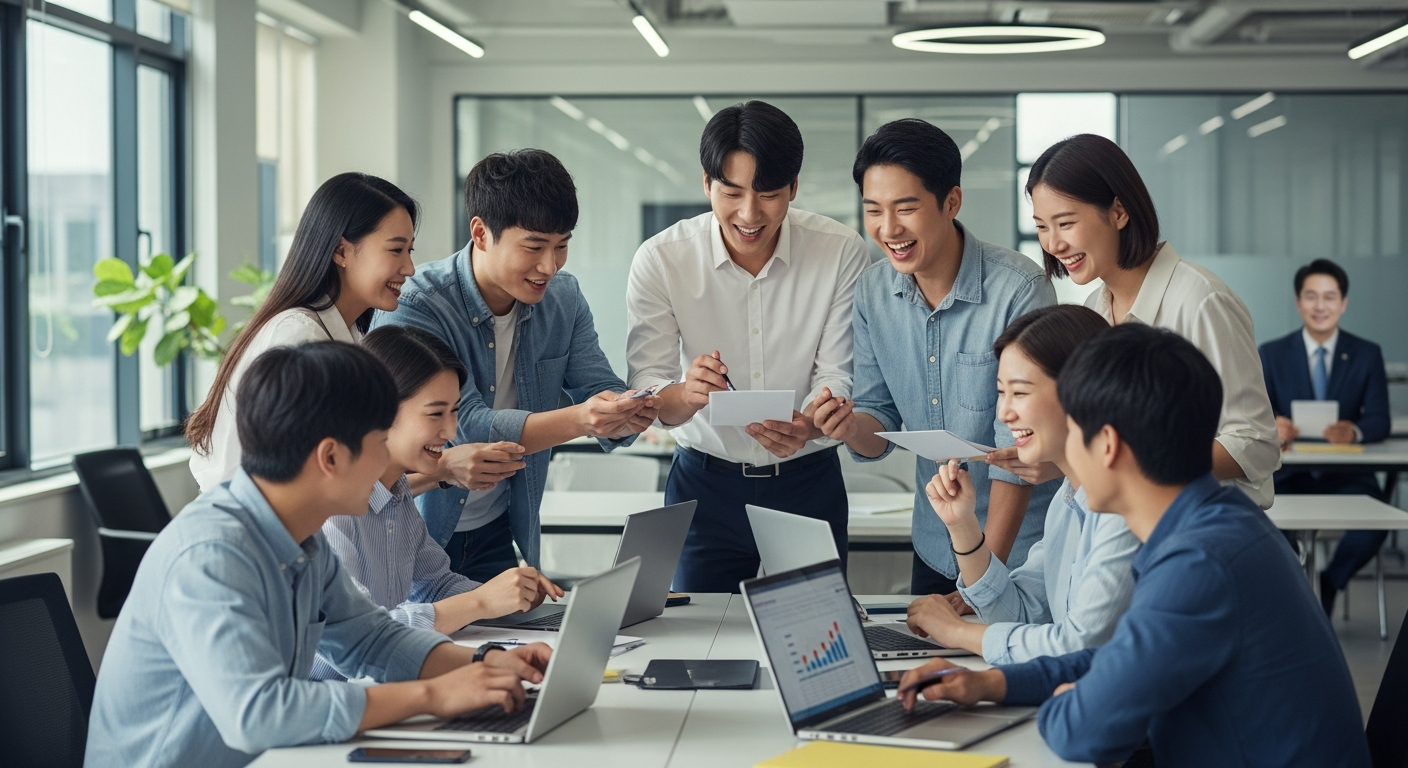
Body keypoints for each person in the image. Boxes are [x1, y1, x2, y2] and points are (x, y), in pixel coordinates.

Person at [898, 325, 1369, 768]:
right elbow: (1121, 656)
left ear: (1107, 445)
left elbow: (1087, 731)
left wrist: (1071, 701)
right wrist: (993, 683)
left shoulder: (1199, 561)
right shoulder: (1213, 522)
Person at [87, 342, 553, 768]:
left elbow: (372, 641)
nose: (387, 469)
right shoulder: (211, 556)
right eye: (377, 446)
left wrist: (485, 665)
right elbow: (258, 715)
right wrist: (432, 695)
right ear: (330, 457)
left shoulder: (301, 538)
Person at [374, 149, 656, 581]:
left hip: (499, 532)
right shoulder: (419, 303)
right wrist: (585, 419)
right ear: (482, 233)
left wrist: (630, 411)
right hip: (412, 531)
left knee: (511, 648)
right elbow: (466, 423)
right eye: (534, 246)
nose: (550, 265)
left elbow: (599, 386)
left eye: (562, 246)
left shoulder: (562, 298)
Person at [625, 100, 869, 593]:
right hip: (703, 486)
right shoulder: (661, 260)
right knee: (699, 649)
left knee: (818, 644)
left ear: (794, 189)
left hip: (807, 479)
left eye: (770, 194)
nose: (749, 214)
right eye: (731, 192)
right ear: (706, 184)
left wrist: (810, 422)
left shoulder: (840, 251)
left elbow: (838, 372)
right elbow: (647, 392)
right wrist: (687, 392)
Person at [812, 118, 1059, 596]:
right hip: (935, 543)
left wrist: (985, 579)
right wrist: (846, 426)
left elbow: (1019, 453)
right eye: (873, 210)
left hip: (1018, 553)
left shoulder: (1019, 291)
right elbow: (877, 421)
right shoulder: (872, 291)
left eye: (906, 208)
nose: (889, 229)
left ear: (951, 202)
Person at [1027, 133, 1280, 508]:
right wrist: (1060, 460)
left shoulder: (1200, 299)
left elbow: (1257, 444)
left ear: (1118, 211)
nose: (1053, 244)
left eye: (1065, 223)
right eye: (1042, 226)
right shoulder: (1096, 307)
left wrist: (1140, 467)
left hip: (1201, 531)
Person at [309, 326, 568, 681]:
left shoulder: (397, 493)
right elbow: (363, 638)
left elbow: (434, 584)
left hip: (387, 688)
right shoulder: (329, 510)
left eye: (455, 411)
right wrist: (479, 603)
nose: (450, 431)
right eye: (435, 414)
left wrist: (507, 592)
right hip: (331, 703)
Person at [906, 304, 1139, 664]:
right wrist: (962, 525)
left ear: (1083, 391)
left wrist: (956, 632)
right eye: (1001, 392)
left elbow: (1081, 646)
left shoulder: (1125, 508)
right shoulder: (1067, 501)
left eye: (1020, 392)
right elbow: (1020, 615)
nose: (1004, 413)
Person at [187, 172, 419, 492]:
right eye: (396, 250)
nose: (409, 268)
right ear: (341, 252)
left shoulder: (346, 335)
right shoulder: (298, 338)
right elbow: (303, 479)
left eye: (410, 251)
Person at [1260, 258, 1390, 614]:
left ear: (1343, 303)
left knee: (1378, 521)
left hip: (1345, 473)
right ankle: (1296, 593)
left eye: (1329, 297)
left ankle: (1330, 583)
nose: (1320, 306)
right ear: (1298, 301)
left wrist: (1354, 430)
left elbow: (1380, 419)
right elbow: (1255, 415)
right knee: (1262, 518)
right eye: (1311, 296)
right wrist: (1274, 425)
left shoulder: (1366, 354)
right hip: (1290, 474)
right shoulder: (1270, 354)